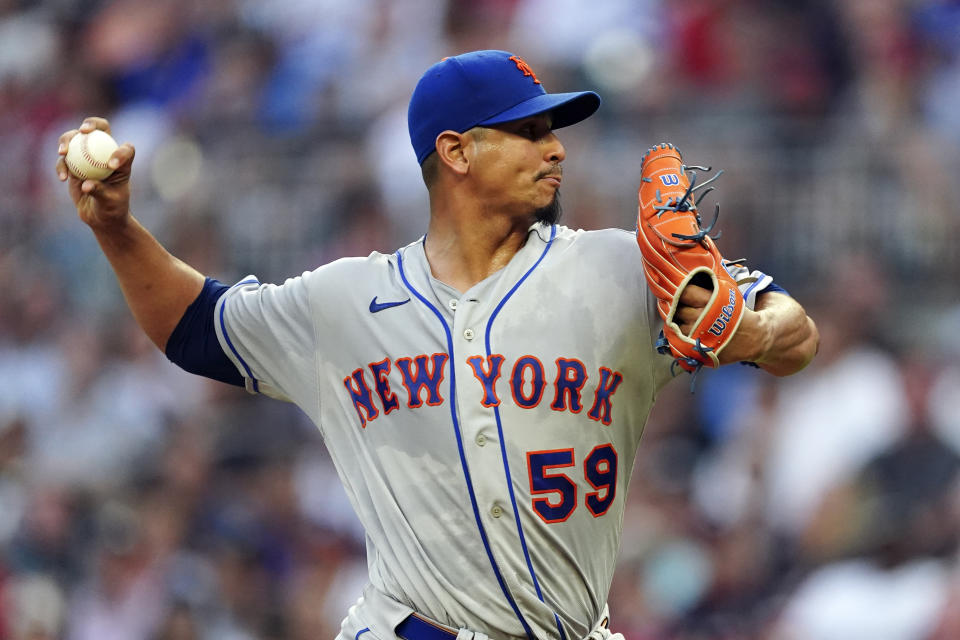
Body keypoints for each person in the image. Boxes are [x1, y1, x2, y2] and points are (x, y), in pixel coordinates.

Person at [56, 50, 818, 640]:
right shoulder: (348, 298)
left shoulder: (619, 266)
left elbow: (795, 333)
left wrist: (750, 330)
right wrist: (118, 231)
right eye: (527, 132)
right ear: (455, 153)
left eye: (552, 131)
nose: (554, 151)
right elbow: (195, 327)